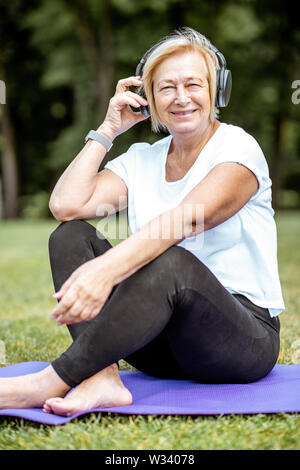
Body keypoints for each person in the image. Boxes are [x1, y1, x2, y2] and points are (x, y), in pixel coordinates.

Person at [0, 27, 285, 417]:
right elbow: (67, 204)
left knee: (172, 260)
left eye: (193, 84)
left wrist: (106, 270)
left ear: (217, 91)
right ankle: (101, 377)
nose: (181, 98)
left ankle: (50, 381)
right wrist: (108, 130)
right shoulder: (142, 160)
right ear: (147, 99)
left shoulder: (238, 149)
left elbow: (184, 220)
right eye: (166, 88)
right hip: (157, 343)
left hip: (240, 344)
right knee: (70, 236)